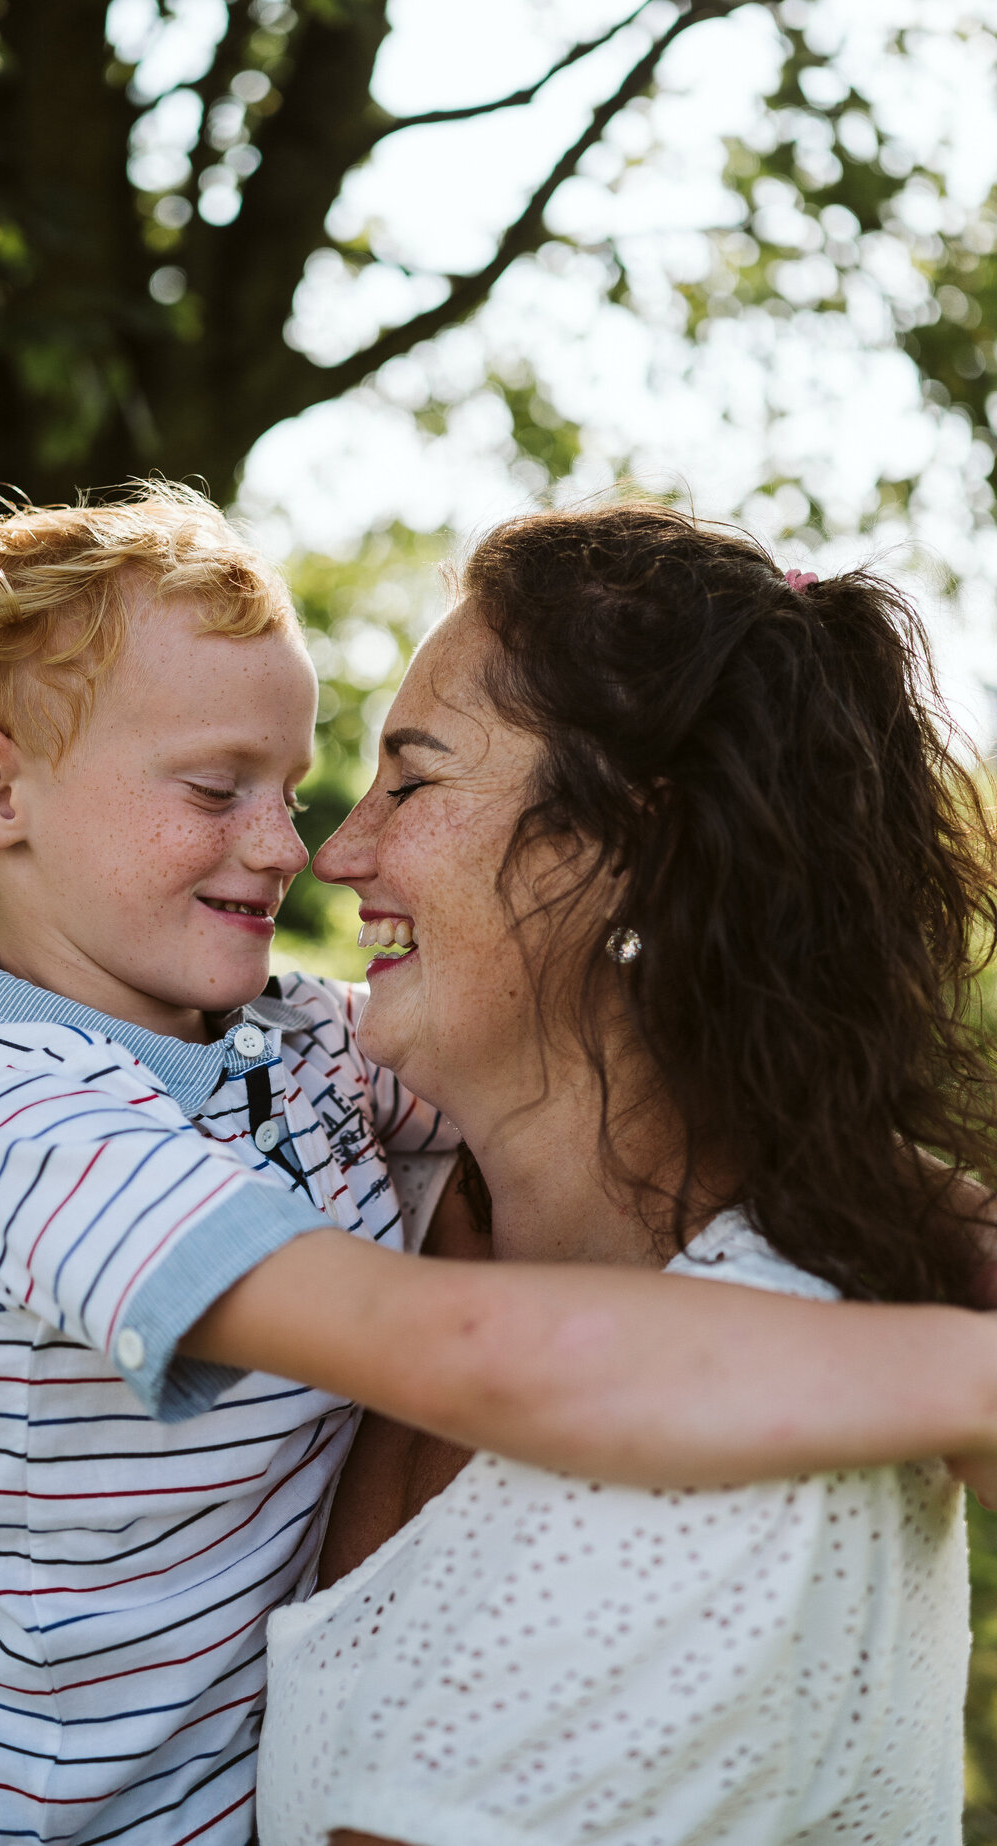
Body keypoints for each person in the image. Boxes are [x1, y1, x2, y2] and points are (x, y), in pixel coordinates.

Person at [0, 483, 997, 1846]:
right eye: (215, 789)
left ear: (629, 846)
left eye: (371, 781)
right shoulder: (29, 1133)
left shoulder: (289, 1048)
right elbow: (452, 1345)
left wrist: (952, 1242)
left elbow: (735, 1118)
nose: (303, 848)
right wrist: (965, 1376)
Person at [255, 501, 997, 1846]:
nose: (335, 849)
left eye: (412, 783)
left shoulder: (742, 1455)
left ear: (630, 856)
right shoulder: (395, 1186)